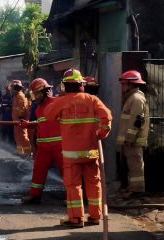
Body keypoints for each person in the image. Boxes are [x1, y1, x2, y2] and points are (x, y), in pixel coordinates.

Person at [43, 68, 112, 228]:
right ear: (81, 84)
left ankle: (76, 218)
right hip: (91, 152)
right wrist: (102, 133)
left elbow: (48, 115)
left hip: (71, 154)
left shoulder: (61, 101)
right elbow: (107, 116)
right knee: (94, 183)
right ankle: (95, 216)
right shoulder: (92, 99)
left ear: (65, 85)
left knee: (73, 186)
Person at [20, 78, 63, 204]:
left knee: (66, 171)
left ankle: (73, 196)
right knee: (38, 170)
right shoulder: (39, 108)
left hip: (59, 145)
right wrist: (29, 124)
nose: (35, 97)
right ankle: (35, 195)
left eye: (36, 93)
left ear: (44, 92)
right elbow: (42, 122)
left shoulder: (57, 102)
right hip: (43, 146)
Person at [116, 70, 149, 198]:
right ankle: (132, 187)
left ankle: (137, 190)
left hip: (133, 140)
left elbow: (136, 120)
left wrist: (129, 138)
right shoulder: (132, 98)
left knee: (135, 164)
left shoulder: (136, 98)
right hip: (130, 140)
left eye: (124, 84)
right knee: (132, 164)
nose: (122, 86)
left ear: (131, 84)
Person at [11, 80, 31, 157]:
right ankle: (20, 152)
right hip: (16, 121)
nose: (12, 89)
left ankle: (27, 153)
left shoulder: (20, 96)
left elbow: (22, 109)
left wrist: (20, 117)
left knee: (23, 136)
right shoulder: (16, 96)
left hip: (21, 121)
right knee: (17, 136)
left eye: (13, 87)